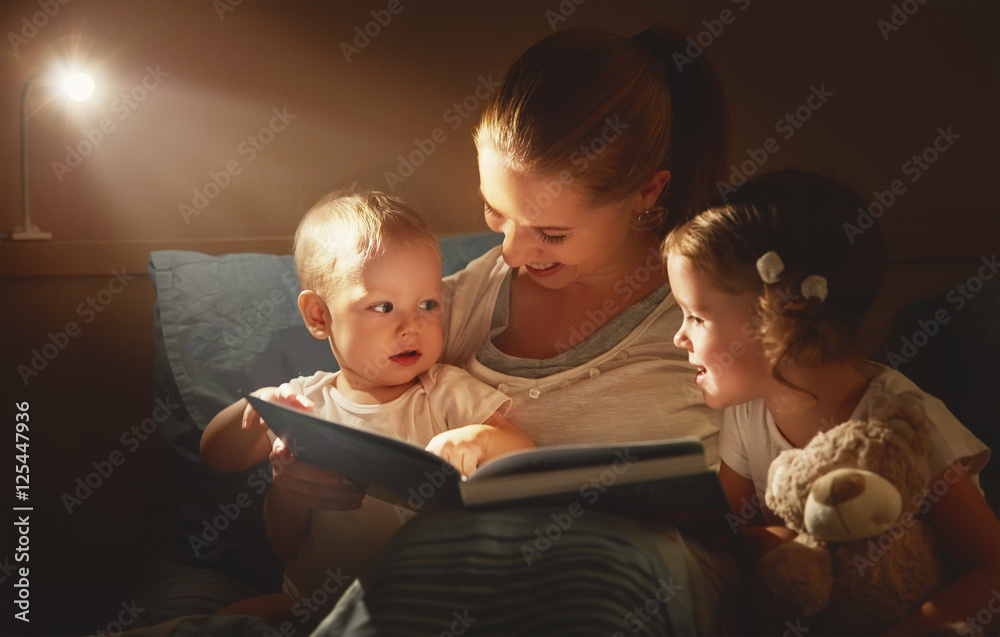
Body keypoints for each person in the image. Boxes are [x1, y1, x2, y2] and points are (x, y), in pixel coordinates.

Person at [309, 24, 743, 636]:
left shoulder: (713, 317)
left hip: (626, 587)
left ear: (648, 191)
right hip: (449, 579)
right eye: (496, 212)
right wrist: (315, 462)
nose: (512, 251)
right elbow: (355, 398)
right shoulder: (445, 308)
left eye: (552, 233)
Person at [664, 168, 998, 635]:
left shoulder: (900, 418)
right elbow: (732, 535)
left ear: (780, 309)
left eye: (696, 316)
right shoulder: (747, 413)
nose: (679, 336)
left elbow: (990, 573)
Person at [199, 190, 535, 625]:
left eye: (428, 305)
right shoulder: (304, 405)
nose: (411, 325)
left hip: (425, 605)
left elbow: (525, 455)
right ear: (319, 316)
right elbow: (216, 456)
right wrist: (260, 410)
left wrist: (482, 439)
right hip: (313, 598)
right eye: (382, 306)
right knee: (226, 623)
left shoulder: (444, 390)